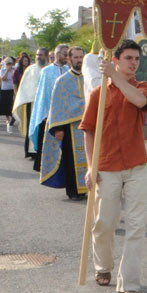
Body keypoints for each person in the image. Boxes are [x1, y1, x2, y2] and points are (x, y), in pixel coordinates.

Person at [82, 40, 147, 293]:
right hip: (108, 167)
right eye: (128, 58)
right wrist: (91, 167)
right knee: (105, 223)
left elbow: (138, 101)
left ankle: (129, 283)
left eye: (136, 59)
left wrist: (116, 78)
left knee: (137, 226)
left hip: (137, 165)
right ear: (116, 59)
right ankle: (103, 266)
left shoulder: (143, 87)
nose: (134, 63)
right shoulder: (98, 94)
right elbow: (89, 131)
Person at [41, 46, 88, 200]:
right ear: (69, 59)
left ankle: (88, 188)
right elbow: (57, 106)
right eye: (76, 57)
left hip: (89, 125)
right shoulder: (62, 81)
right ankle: (74, 191)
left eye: (81, 57)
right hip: (70, 127)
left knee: (90, 158)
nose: (79, 60)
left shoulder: (90, 78)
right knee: (71, 160)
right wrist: (58, 129)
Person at [29, 45, 69, 170]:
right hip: (48, 112)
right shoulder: (46, 71)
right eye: (64, 54)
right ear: (57, 54)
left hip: (66, 112)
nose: (67, 57)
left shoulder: (68, 69)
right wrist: (45, 112)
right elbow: (42, 94)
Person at [13, 48, 48, 162]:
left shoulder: (50, 69)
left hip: (46, 104)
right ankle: (32, 151)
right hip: (32, 103)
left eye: (41, 55)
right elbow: (25, 86)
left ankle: (44, 150)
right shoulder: (30, 69)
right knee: (32, 127)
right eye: (37, 55)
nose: (39, 57)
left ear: (46, 56)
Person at [0, 56, 17, 130]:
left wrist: (11, 71)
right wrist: (7, 71)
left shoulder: (14, 70)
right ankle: (7, 118)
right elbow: (3, 78)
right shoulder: (2, 70)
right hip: (5, 89)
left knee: (12, 104)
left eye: (10, 63)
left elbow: (15, 78)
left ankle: (13, 116)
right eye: (8, 63)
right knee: (6, 104)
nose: (9, 65)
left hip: (12, 88)